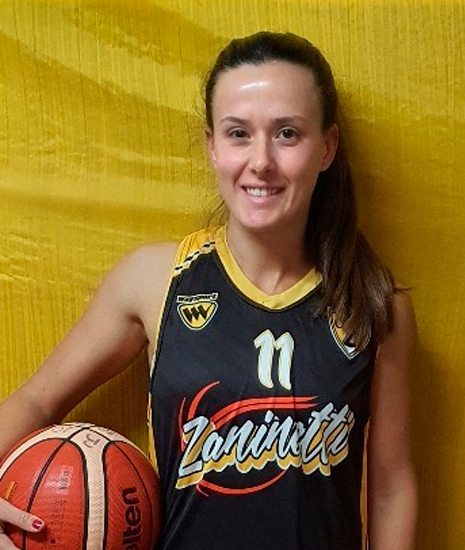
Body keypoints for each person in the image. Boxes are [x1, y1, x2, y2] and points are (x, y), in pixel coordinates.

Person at [0, 31, 416, 550]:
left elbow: (391, 488)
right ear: (212, 145)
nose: (261, 161)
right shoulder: (155, 279)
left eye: (287, 134)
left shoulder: (375, 301)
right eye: (238, 133)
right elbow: (37, 400)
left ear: (326, 147)